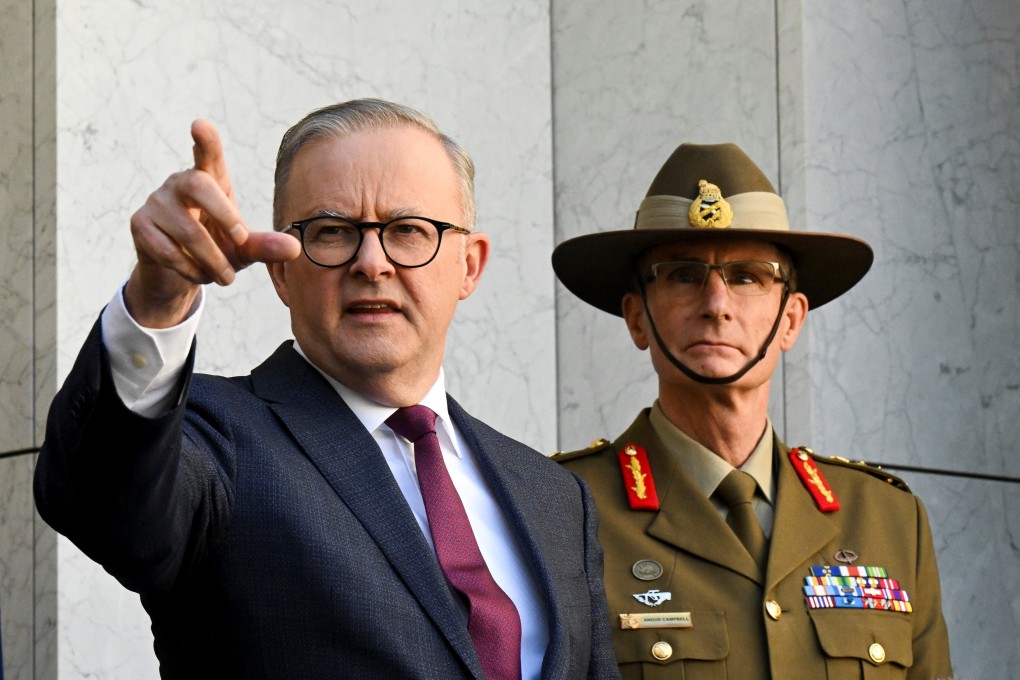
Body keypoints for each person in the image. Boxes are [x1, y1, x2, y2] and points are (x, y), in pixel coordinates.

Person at [35, 99, 618, 680]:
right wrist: (157, 302)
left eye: (409, 230)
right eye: (333, 231)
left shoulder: (556, 496)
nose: (371, 263)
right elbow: (103, 498)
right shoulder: (216, 440)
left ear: (470, 264)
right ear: (281, 272)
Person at [551, 143, 952, 679]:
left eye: (747, 276)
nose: (716, 303)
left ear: (790, 320)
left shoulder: (888, 520)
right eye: (683, 275)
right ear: (637, 318)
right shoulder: (560, 512)